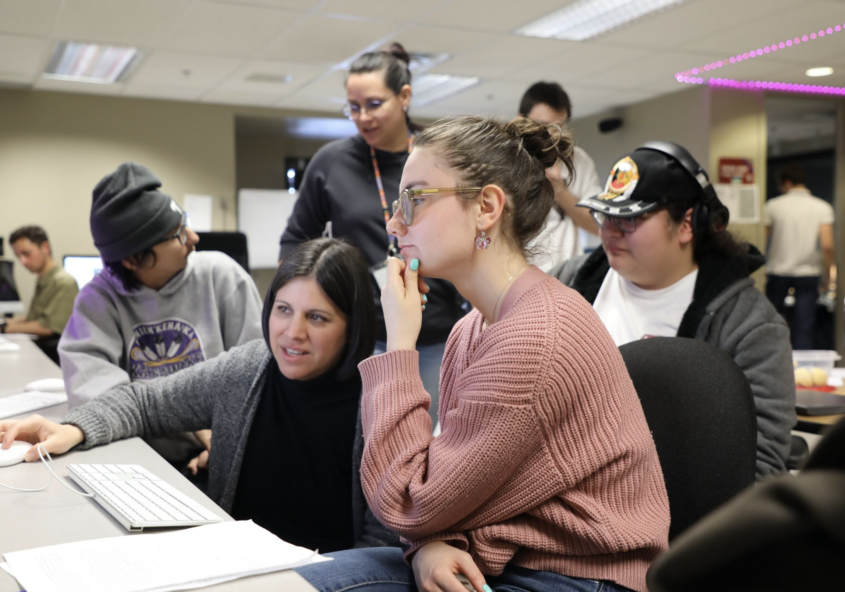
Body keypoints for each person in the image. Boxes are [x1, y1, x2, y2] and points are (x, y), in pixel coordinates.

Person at [295, 116, 670, 592]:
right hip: (513, 557)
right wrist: (425, 545)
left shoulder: (532, 337)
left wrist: (400, 344)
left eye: (414, 199)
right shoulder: (474, 327)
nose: (393, 222)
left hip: (576, 578)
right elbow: (442, 494)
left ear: (487, 207)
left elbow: (409, 501)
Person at [0, 239, 399, 552]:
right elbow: (145, 403)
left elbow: (383, 547)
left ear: (353, 325)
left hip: (321, 577)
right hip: (228, 561)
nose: (292, 332)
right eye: (282, 309)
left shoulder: (384, 400)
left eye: (317, 317)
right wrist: (73, 429)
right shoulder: (248, 368)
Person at [553, 142, 795, 479]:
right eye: (605, 214)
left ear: (687, 224)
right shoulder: (566, 285)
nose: (609, 230)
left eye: (630, 218)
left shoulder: (749, 324)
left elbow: (759, 465)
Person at [279, 43, 466, 424]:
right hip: (361, 337)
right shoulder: (330, 163)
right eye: (353, 106)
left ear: (405, 97)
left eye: (374, 104)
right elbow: (294, 240)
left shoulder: (439, 157)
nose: (363, 117)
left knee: (423, 442)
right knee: (365, 443)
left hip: (435, 334)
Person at [58, 162, 263, 467]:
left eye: (186, 224)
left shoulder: (221, 276)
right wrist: (196, 426)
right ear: (132, 258)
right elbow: (104, 402)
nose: (193, 238)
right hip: (140, 463)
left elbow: (256, 375)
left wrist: (223, 441)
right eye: (178, 234)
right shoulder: (97, 300)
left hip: (225, 454)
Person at [518, 81, 602, 270]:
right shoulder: (509, 163)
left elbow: (598, 226)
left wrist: (560, 192)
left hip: (569, 276)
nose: (551, 134)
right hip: (523, 278)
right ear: (520, 119)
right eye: (542, 125)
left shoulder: (579, 161)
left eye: (558, 126)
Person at [764, 163, 835, 350]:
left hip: (778, 271)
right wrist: (827, 276)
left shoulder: (773, 206)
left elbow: (761, 240)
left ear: (786, 183)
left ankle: (771, 366)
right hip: (808, 272)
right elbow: (827, 246)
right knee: (804, 327)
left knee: (771, 325)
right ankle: (803, 374)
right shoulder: (822, 207)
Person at [1, 226, 78, 363]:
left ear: (45, 247)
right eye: (18, 256)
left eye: (26, 253)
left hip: (54, 359)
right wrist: (6, 322)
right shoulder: (45, 280)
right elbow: (34, 317)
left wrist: (6, 328)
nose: (22, 261)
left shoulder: (63, 282)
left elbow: (48, 327)